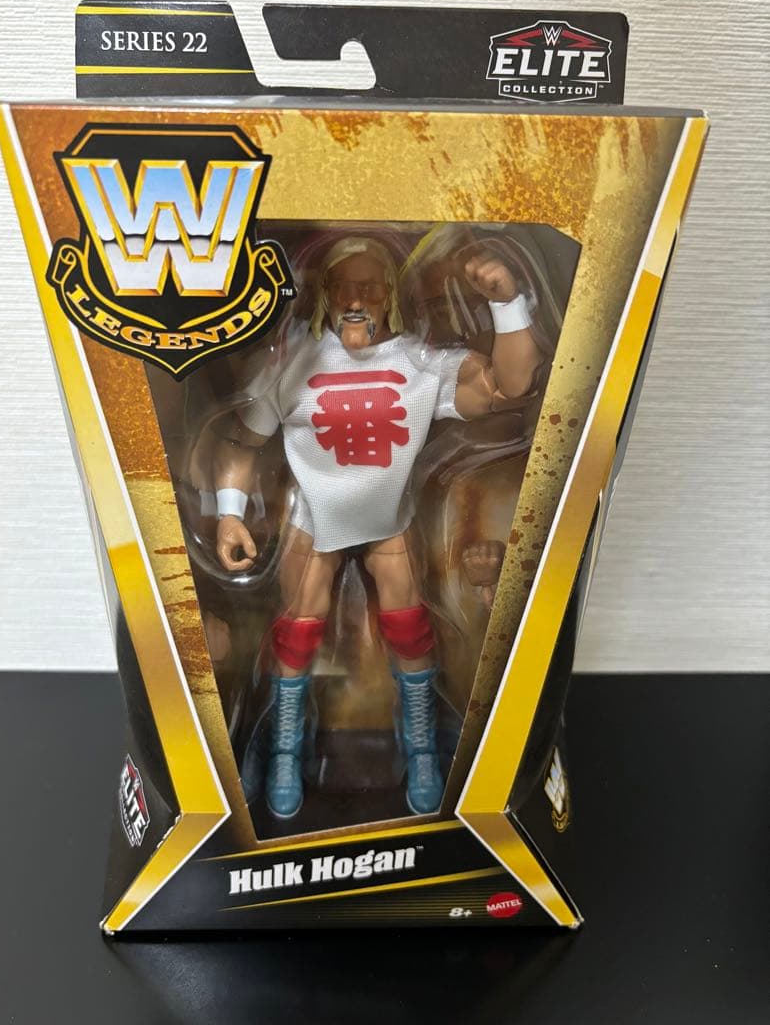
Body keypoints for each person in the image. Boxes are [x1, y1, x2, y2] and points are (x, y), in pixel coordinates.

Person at [213, 235, 542, 818]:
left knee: (410, 626)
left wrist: (507, 303)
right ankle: (286, 745)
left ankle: (421, 743)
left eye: (368, 286)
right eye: (344, 286)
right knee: (298, 630)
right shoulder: (293, 364)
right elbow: (241, 441)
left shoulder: (418, 363)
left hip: (390, 517)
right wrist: (230, 513)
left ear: (389, 294)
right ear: (326, 293)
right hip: (313, 517)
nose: (355, 299)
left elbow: (508, 385)